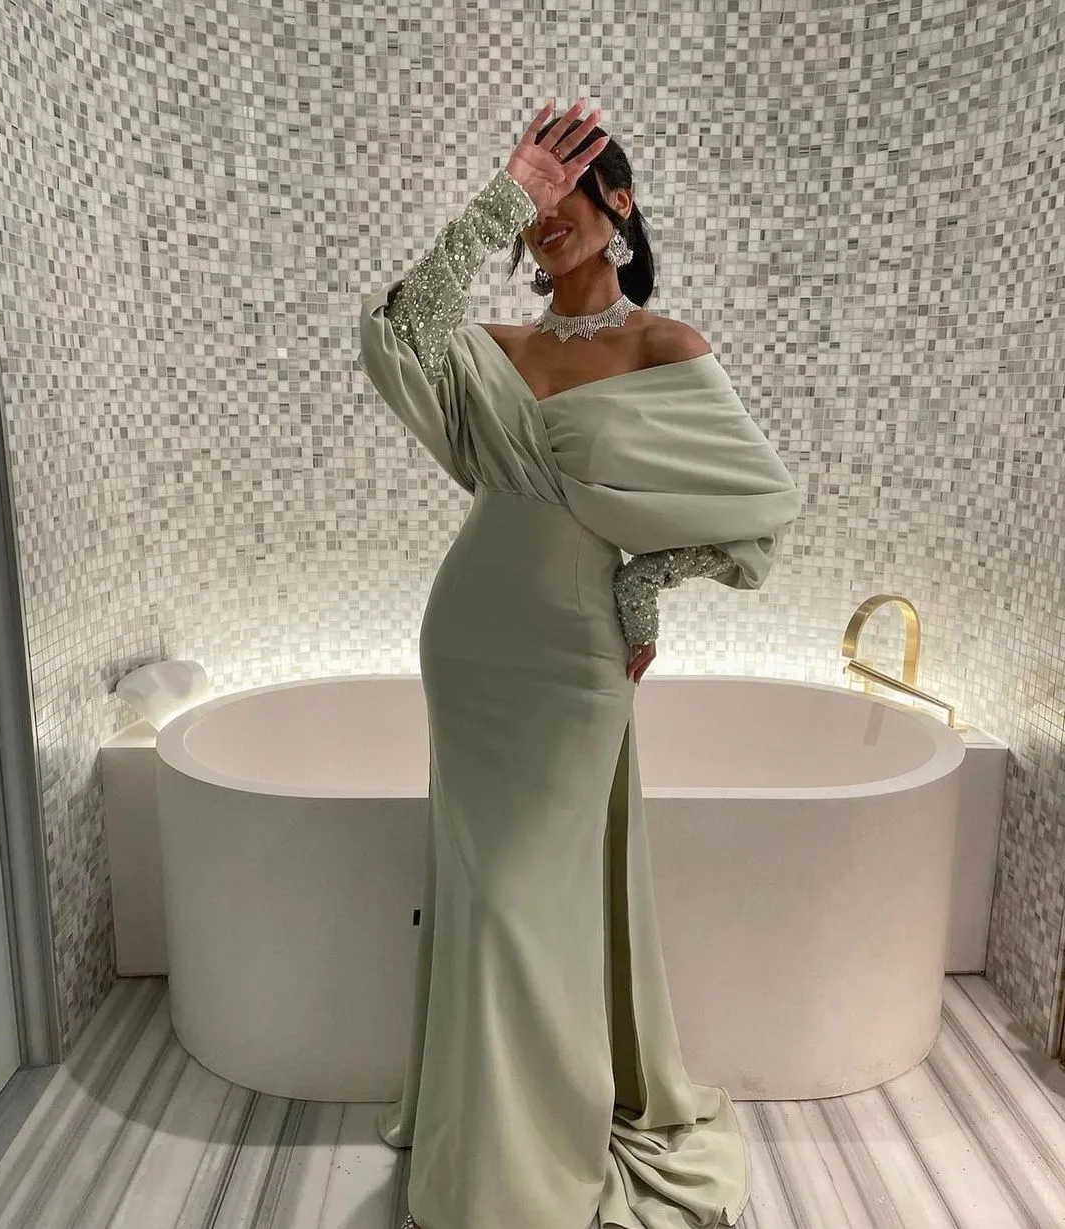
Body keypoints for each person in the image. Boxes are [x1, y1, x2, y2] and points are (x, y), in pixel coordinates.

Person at [357, 98, 803, 1229]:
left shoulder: (665, 346)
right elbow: (400, 324)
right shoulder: (499, 347)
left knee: (528, 900)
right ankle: (488, 1137)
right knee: (487, 895)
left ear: (622, 205)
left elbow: (763, 505)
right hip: (472, 636)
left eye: (568, 196)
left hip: (577, 652)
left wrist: (647, 581)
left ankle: (537, 1137)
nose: (546, 221)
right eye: (535, 206)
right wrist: (504, 192)